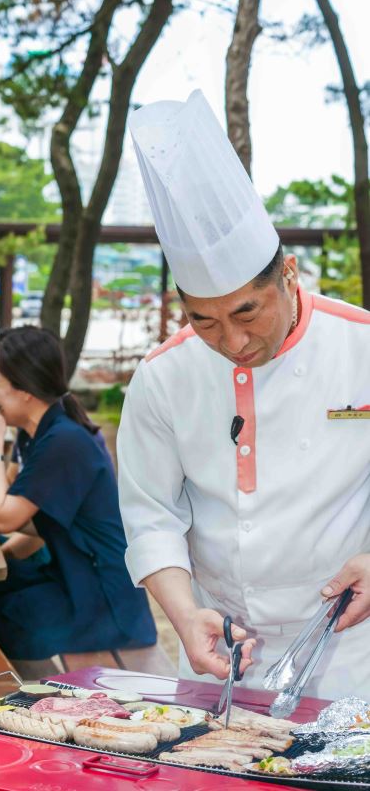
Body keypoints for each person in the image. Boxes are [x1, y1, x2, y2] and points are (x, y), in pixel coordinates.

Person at [117, 89, 370, 699]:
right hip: (222, 646)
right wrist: (184, 615)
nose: (231, 340)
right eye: (203, 320)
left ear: (289, 276)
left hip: (354, 650)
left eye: (246, 312)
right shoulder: (162, 377)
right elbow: (151, 514)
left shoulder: (362, 345)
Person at [0, 326, 156, 682]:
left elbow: (4, 517)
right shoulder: (47, 432)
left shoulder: (64, 441)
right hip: (72, 580)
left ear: (24, 390)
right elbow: (19, 504)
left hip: (101, 605)